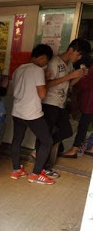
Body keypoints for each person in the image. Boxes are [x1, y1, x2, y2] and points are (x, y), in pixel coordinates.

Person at [35, 38, 91, 177]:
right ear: (71, 49)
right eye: (78, 54)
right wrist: (70, 76)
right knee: (47, 135)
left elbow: (69, 85)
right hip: (50, 103)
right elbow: (46, 85)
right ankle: (43, 166)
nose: (78, 58)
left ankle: (40, 150)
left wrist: (79, 76)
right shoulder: (54, 62)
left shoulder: (69, 65)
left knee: (66, 131)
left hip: (60, 103)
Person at [10, 44, 55, 185]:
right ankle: (35, 174)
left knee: (17, 140)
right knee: (47, 141)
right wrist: (46, 79)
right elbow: (42, 94)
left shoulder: (19, 69)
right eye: (46, 61)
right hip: (32, 113)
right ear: (42, 58)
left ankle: (16, 170)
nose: (45, 64)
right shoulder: (37, 71)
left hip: (17, 111)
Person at [61, 53, 93, 158]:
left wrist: (75, 78)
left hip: (89, 103)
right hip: (89, 103)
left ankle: (74, 149)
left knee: (83, 126)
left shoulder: (89, 72)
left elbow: (82, 85)